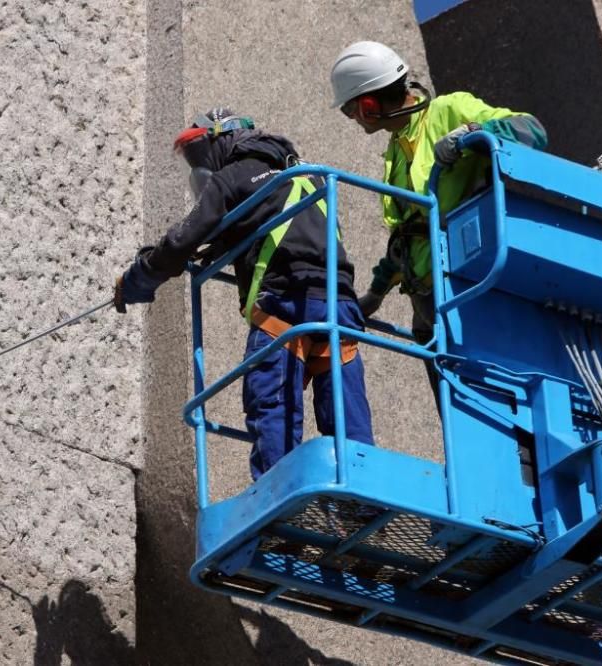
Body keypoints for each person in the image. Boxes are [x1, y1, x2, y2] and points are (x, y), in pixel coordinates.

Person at [114, 108, 374, 480]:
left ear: (220, 141)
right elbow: (243, 233)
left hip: (284, 306)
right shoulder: (307, 175)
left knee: (274, 406)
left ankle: (279, 507)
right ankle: (362, 500)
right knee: (347, 410)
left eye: (197, 155)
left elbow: (184, 238)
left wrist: (141, 277)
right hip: (340, 307)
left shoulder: (234, 177)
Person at [329, 41, 548, 400]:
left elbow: (532, 131)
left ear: (368, 105)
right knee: (458, 416)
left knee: (495, 406)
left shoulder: (449, 110)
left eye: (350, 110)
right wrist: (376, 292)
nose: (353, 119)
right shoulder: (395, 153)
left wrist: (472, 135)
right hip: (430, 312)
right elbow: (408, 236)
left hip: (471, 290)